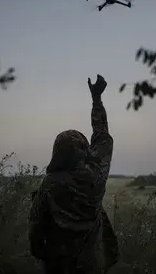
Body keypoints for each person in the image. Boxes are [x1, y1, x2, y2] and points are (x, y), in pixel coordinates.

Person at [28, 74, 119, 274]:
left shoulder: (49, 184)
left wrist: (46, 256)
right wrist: (97, 100)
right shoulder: (96, 177)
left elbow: (35, 233)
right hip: (91, 266)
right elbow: (102, 136)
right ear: (85, 152)